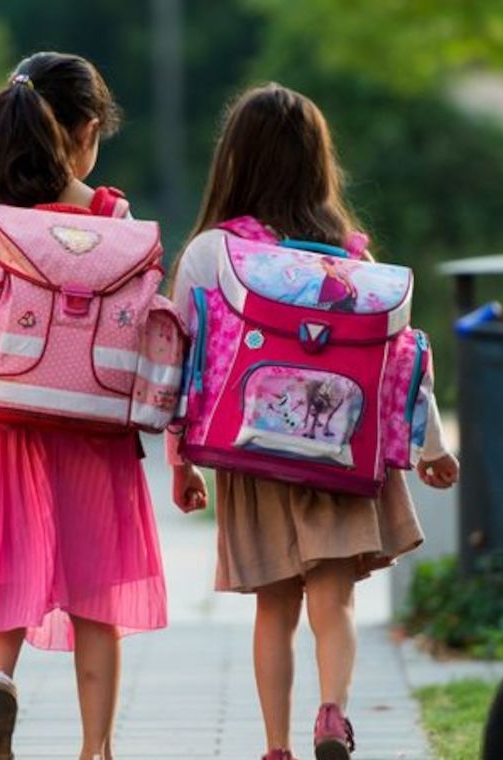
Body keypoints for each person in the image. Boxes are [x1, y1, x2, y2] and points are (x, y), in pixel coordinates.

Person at [169, 84, 460, 760]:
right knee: (336, 604)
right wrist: (431, 446)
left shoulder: (212, 253)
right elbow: (403, 366)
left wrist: (181, 460)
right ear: (317, 163)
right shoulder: (354, 261)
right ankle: (332, 714)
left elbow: (181, 360)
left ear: (233, 161)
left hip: (251, 450)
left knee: (274, 610)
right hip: (339, 453)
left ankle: (276, 747)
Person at [0, 53, 166, 760]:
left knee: (0, 563)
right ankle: (96, 747)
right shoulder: (114, 216)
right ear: (85, 131)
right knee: (98, 591)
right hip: (93, 423)